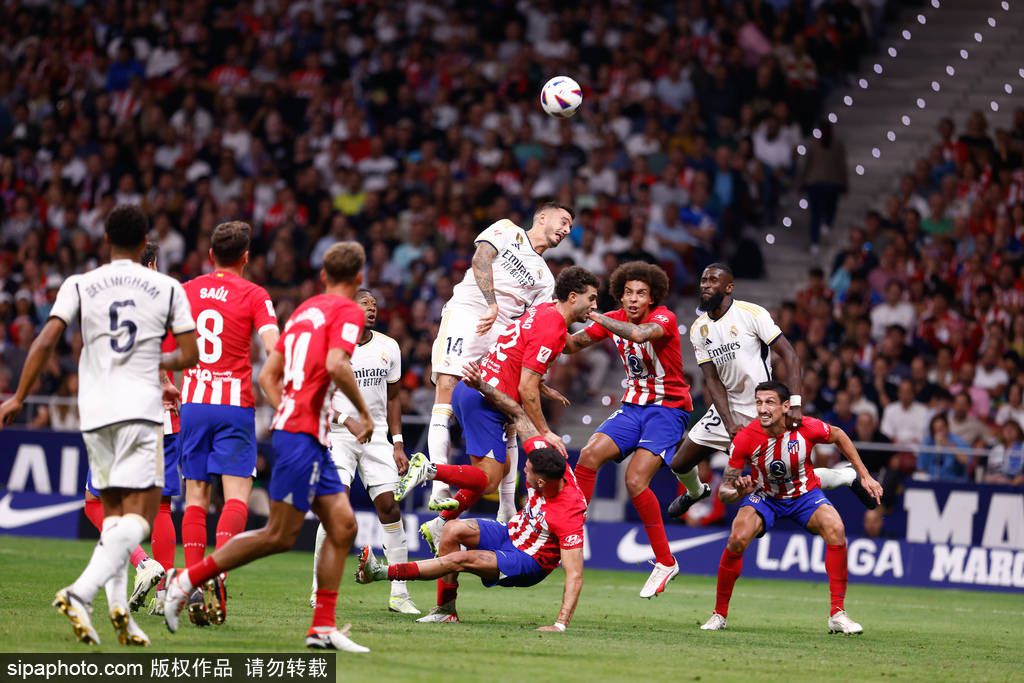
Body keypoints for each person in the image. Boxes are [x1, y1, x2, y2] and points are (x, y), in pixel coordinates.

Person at [0, 205, 198, 646]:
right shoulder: (166, 288)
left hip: (97, 411)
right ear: (145, 237)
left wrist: (17, 396)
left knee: (110, 514)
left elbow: (46, 338)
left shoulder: (79, 283)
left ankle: (119, 612)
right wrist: (152, 368)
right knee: (145, 515)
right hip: (142, 412)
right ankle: (83, 591)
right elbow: (189, 353)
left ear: (104, 238)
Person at [163, 242, 374, 653]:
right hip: (300, 437)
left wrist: (291, 410)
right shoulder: (347, 311)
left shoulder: (303, 312)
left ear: (323, 275)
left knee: (343, 525)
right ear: (359, 278)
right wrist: (363, 414)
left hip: (297, 432)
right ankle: (187, 579)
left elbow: (268, 378)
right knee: (278, 535)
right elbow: (335, 364)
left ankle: (322, 628)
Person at [396, 266, 599, 560]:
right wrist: (545, 432)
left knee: (497, 472)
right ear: (572, 296)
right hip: (486, 399)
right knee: (488, 479)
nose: (594, 305)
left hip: (481, 394)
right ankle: (429, 470)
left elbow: (524, 355)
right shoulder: (551, 325)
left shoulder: (544, 312)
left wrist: (543, 386)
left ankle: (439, 524)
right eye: (591, 299)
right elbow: (525, 388)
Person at [667, 263, 876, 516]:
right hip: (726, 409)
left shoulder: (752, 314)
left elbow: (790, 355)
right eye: (703, 280)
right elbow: (712, 380)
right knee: (679, 464)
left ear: (729, 287)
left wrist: (796, 404)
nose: (706, 285)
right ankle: (696, 492)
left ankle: (846, 476)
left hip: (762, 409)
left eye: (713, 280)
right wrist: (729, 422)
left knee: (787, 480)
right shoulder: (699, 329)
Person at [427, 202, 574, 522]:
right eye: (563, 221)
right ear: (542, 217)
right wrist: (492, 304)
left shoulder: (547, 281)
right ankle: (438, 486)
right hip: (469, 314)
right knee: (447, 391)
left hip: (501, 337)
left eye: (570, 228)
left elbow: (533, 328)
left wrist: (539, 379)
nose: (566, 230)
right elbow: (480, 258)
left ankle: (507, 507)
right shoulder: (507, 229)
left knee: (507, 412)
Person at [699, 381, 882, 634]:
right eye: (759, 402)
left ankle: (837, 614)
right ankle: (719, 614)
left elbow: (838, 434)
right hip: (766, 496)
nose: (763, 409)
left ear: (786, 406)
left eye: (770, 402)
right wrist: (738, 490)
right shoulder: (746, 438)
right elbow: (725, 492)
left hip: (804, 495)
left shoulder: (805, 427)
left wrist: (865, 475)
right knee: (737, 538)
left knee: (836, 528)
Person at [562, 262, 694, 598]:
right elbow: (568, 346)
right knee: (589, 455)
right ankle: (573, 531)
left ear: (652, 298)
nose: (634, 299)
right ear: (620, 295)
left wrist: (593, 315)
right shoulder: (614, 319)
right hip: (632, 408)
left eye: (641, 294)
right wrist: (550, 317)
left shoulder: (663, 318)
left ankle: (665, 561)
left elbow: (638, 334)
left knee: (635, 481)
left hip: (667, 411)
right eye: (628, 293)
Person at [355, 447, 586, 631]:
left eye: (527, 472)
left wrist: (559, 624)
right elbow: (525, 419)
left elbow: (574, 574)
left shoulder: (567, 515)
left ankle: (381, 573)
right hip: (509, 534)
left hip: (525, 561)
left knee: (460, 559)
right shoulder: (554, 466)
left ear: (541, 482)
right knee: (451, 529)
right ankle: (446, 611)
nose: (523, 473)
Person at [177, 220, 280, 625]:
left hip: (194, 402)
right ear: (246, 257)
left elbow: (168, 345)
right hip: (234, 404)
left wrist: (171, 386)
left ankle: (191, 583)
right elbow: (274, 346)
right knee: (236, 496)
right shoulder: (255, 294)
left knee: (196, 498)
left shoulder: (186, 291)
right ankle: (217, 571)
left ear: (210, 255)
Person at [80, 243, 183, 616]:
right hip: (164, 415)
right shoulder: (170, 298)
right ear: (153, 262)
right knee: (163, 507)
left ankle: (143, 563)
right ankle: (166, 594)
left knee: (96, 502)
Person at [309, 289, 419, 615]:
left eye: (374, 304)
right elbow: (318, 397)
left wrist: (398, 443)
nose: (371, 309)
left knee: (389, 507)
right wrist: (347, 420)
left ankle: (399, 594)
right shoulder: (331, 346)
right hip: (338, 435)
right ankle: (319, 588)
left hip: (378, 436)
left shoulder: (389, 347)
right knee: (336, 506)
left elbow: (394, 398)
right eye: (364, 304)